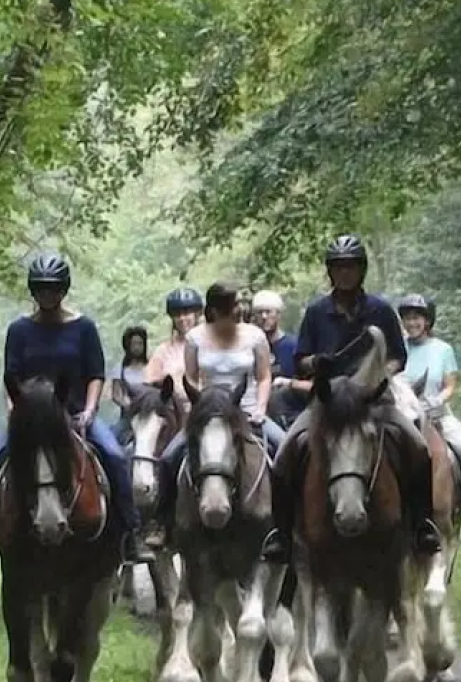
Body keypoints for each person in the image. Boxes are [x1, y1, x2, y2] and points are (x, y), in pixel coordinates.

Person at [0, 252, 154, 569]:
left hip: (73, 415)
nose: (48, 295)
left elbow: (95, 374)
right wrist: (14, 413)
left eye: (53, 289)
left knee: (113, 456)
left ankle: (130, 534)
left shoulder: (83, 328)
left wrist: (89, 410)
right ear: (33, 291)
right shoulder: (19, 330)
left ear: (63, 290)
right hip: (31, 418)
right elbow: (10, 378)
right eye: (42, 289)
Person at [261, 234, 444, 563]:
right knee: (287, 451)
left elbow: (398, 357)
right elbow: (302, 358)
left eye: (351, 267)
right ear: (331, 272)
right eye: (339, 268)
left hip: (373, 399)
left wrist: (374, 373)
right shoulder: (316, 312)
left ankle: (422, 525)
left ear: (362, 270)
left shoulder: (380, 309)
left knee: (417, 445)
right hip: (329, 401)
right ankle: (282, 535)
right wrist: (317, 363)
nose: (345, 274)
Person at [152, 282, 283, 536]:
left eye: (238, 304)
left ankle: (285, 527)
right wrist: (194, 408)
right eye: (234, 304)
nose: (239, 309)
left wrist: (260, 407)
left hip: (246, 411)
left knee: (285, 450)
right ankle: (163, 524)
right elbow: (190, 378)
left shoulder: (255, 336)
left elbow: (264, 376)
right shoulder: (195, 338)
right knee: (169, 458)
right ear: (215, 309)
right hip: (208, 411)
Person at [396, 293, 461, 530]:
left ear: (427, 321)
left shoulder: (443, 350)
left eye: (417, 318)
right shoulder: (398, 349)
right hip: (402, 417)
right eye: (408, 318)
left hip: (436, 414)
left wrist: (438, 399)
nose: (412, 323)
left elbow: (450, 385)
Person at [251, 289, 306, 429]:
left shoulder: (294, 346)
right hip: (255, 412)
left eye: (269, 312)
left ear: (278, 314)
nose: (264, 317)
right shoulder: (249, 347)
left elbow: (308, 382)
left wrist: (288, 383)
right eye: (259, 312)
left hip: (289, 415)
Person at [144, 286, 204, 401]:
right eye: (177, 314)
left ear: (197, 314)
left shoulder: (209, 344)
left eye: (186, 313)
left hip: (206, 407)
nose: (182, 318)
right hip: (174, 409)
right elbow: (149, 383)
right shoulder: (163, 351)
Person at [110, 325, 150, 441]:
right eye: (134, 344)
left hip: (149, 414)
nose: (137, 347)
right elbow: (116, 395)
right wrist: (127, 404)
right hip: (128, 417)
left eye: (140, 344)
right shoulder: (120, 369)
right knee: (112, 440)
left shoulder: (152, 367)